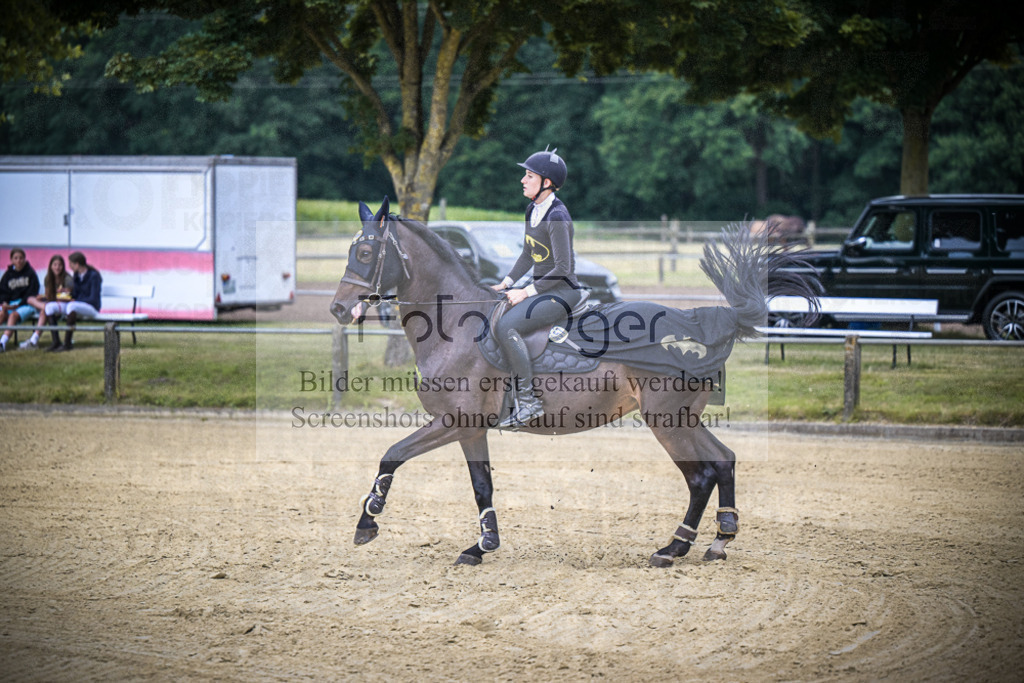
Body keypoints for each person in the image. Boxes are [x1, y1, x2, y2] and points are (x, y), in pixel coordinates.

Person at [490, 148, 582, 428]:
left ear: (547, 183)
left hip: (563, 292)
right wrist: (506, 283)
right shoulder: (533, 208)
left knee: (507, 327)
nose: (522, 180)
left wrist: (526, 291)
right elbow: (529, 254)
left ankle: (529, 402)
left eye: (529, 176)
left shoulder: (557, 216)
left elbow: (563, 268)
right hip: (544, 289)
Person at [43, 251, 102, 352]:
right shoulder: (76, 275)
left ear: (77, 264)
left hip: (92, 308)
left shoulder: (93, 276)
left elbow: (93, 299)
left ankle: (67, 343)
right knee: (49, 307)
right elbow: (74, 295)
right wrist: (65, 293)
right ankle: (56, 342)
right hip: (76, 305)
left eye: (71, 264)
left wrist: (75, 300)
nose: (69, 266)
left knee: (71, 306)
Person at [20, 254, 74, 350]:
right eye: (55, 264)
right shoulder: (48, 278)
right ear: (51, 266)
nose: (57, 267)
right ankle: (36, 340)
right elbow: (49, 296)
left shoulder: (67, 278)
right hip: (51, 303)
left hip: (63, 304)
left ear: (63, 266)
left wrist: (55, 296)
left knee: (45, 310)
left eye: (60, 265)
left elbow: (69, 297)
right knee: (30, 299)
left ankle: (34, 341)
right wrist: (43, 298)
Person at [0, 248, 41, 352]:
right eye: (16, 258)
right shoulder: (7, 275)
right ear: (12, 260)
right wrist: (5, 303)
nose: (19, 260)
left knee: (13, 315)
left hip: (26, 304)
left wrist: (18, 305)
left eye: (21, 258)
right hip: (10, 304)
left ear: (25, 259)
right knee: (1, 313)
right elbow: (3, 292)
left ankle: (2, 343)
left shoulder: (30, 273)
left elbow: (32, 293)